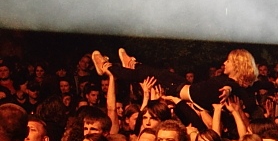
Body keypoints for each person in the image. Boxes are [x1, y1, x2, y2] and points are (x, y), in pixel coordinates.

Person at [92, 48, 258, 113]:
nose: (224, 63)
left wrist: (228, 89)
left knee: (146, 76)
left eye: (228, 61)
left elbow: (231, 86)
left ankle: (106, 66)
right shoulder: (229, 82)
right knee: (159, 72)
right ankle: (133, 64)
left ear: (237, 64)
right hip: (182, 87)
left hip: (177, 90)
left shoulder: (230, 84)